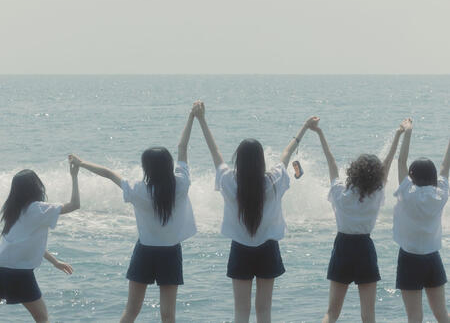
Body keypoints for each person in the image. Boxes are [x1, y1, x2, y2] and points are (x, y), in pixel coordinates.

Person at [69, 106, 197, 323]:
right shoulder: (181, 184)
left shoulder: (138, 190)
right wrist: (192, 116)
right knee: (168, 315)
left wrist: (81, 163)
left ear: (146, 168)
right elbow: (182, 147)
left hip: (145, 251)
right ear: (168, 165)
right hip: (170, 253)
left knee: (131, 311)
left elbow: (109, 173)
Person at [192, 100, 314, 323]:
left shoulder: (229, 181)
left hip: (240, 249)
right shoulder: (274, 180)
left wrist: (201, 119)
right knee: (264, 311)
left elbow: (214, 151)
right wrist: (304, 127)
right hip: (268, 249)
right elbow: (287, 153)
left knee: (241, 311)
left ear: (239, 160)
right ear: (261, 160)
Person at [308, 117, 407, 323]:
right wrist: (399, 134)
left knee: (332, 313)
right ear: (376, 176)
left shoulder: (340, 193)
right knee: (368, 316)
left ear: (353, 172)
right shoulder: (375, 194)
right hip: (364, 247)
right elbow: (388, 162)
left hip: (342, 247)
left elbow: (331, 161)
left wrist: (319, 133)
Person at [0, 160, 80, 323]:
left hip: (2, 268)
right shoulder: (38, 208)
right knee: (42, 318)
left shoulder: (12, 210)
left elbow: (26, 244)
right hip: (19, 273)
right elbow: (74, 205)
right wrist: (74, 176)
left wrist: (55, 262)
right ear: (36, 187)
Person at [394, 118, 449, 323]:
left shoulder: (407, 194)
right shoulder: (440, 195)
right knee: (442, 314)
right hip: (432, 258)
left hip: (409, 259)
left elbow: (401, 161)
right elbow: (445, 165)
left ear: (412, 176)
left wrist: (407, 132)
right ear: (433, 176)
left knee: (414, 317)